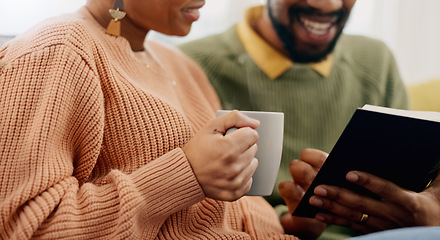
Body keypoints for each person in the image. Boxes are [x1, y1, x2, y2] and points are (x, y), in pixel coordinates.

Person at [0, 0, 302, 239]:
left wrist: (291, 224)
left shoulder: (181, 64)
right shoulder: (57, 51)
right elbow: (25, 229)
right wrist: (185, 174)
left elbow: (216, 215)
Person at [178, 0, 440, 238]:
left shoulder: (376, 62)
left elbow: (408, 199)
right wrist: (290, 223)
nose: (329, 5)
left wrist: (431, 221)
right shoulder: (189, 67)